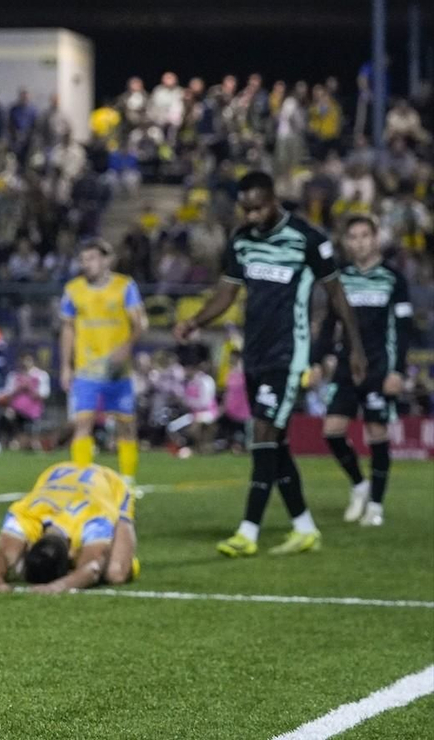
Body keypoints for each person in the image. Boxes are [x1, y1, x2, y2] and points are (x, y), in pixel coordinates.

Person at [174, 171, 367, 558]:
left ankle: (248, 531)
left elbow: (336, 295)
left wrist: (355, 348)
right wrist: (195, 320)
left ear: (274, 199)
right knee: (274, 445)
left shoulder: (307, 239)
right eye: (246, 208)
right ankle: (304, 527)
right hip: (255, 354)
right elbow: (226, 293)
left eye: (258, 207)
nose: (252, 215)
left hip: (288, 353)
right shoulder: (242, 240)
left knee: (262, 433)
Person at [314, 216, 413, 527]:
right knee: (332, 431)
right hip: (346, 365)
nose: (358, 242)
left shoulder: (393, 279)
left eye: (364, 236)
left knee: (377, 433)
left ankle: (376, 506)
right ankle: (359, 485)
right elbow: (330, 324)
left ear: (375, 238)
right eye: (352, 237)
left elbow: (403, 328)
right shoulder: (339, 278)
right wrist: (319, 359)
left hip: (379, 367)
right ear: (346, 242)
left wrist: (397, 371)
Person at [59, 239, 147, 487]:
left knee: (126, 426)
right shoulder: (73, 289)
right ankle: (82, 482)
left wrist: (126, 347)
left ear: (107, 260)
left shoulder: (124, 286)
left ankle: (127, 482)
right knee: (82, 423)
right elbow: (67, 329)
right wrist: (66, 366)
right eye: (83, 259)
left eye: (92, 258)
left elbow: (141, 324)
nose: (87, 264)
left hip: (118, 372)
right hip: (87, 369)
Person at [0, 462, 138, 593]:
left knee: (115, 573)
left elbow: (93, 568)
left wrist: (58, 586)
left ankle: (125, 556)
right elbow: (3, 553)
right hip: (57, 474)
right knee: (15, 559)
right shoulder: (25, 513)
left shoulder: (93, 519)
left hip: (109, 483)